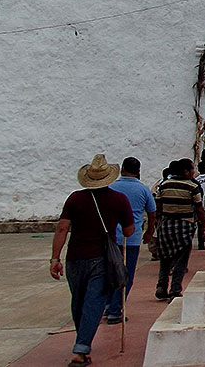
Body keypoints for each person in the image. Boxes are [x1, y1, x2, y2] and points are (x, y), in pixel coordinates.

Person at [50, 154, 134, 366]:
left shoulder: (75, 199)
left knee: (78, 301)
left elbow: (62, 227)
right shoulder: (119, 200)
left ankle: (82, 342)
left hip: (74, 258)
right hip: (102, 258)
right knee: (94, 302)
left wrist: (54, 258)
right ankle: (80, 349)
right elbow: (129, 230)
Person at [105, 157, 157, 324]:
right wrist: (149, 232)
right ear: (138, 171)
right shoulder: (143, 190)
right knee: (126, 276)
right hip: (131, 239)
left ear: (121, 170)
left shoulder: (111, 188)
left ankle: (108, 305)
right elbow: (152, 213)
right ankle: (115, 310)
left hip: (111, 238)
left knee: (111, 272)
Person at [155, 158, 205, 300]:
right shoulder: (192, 187)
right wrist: (203, 224)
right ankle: (175, 289)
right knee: (181, 259)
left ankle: (161, 285)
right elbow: (199, 208)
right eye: (192, 170)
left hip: (166, 225)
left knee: (165, 258)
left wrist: (158, 221)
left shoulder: (164, 185)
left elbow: (158, 205)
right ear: (186, 172)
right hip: (184, 225)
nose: (193, 173)